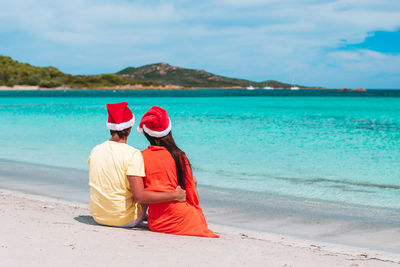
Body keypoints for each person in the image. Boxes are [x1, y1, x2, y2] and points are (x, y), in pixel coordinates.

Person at [88, 102, 186, 228]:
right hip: (124, 220)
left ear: (110, 128)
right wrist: (175, 195)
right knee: (145, 184)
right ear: (129, 128)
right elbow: (140, 197)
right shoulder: (133, 154)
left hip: (98, 216)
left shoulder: (96, 150)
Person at [137, 106, 219, 237]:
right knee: (193, 182)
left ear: (146, 133)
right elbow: (191, 195)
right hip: (184, 221)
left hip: (157, 223)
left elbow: (141, 193)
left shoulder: (141, 156)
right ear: (168, 130)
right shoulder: (179, 155)